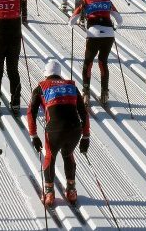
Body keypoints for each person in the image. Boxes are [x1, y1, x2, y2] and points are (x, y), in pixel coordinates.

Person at [28, 59, 89, 207]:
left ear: (46, 74)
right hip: (75, 129)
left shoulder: (41, 87)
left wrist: (33, 135)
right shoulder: (72, 87)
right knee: (68, 154)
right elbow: (84, 113)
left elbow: (31, 112)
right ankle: (71, 190)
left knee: (50, 156)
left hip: (55, 129)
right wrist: (86, 136)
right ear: (59, 74)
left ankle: (49, 192)